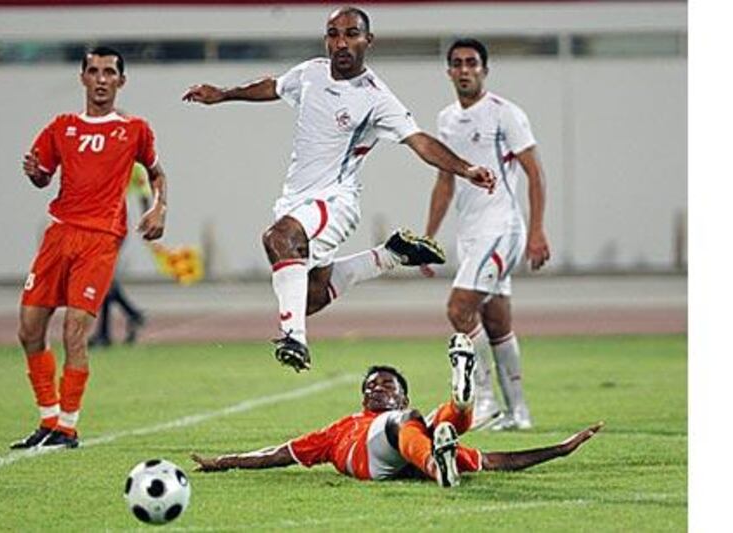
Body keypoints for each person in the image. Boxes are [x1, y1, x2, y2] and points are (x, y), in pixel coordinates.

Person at [183, 6, 496, 372]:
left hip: (336, 200)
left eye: (351, 34)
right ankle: (390, 255)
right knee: (309, 297)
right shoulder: (311, 72)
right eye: (334, 34)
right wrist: (223, 94)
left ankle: (294, 340)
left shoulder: (376, 97)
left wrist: (466, 168)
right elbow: (275, 86)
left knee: (278, 239)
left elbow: (420, 141)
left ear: (368, 40)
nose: (341, 42)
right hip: (296, 199)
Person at [190, 333, 603, 486]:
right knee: (418, 425)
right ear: (362, 399)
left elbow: (495, 460)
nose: (376, 390)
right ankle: (458, 411)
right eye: (370, 387)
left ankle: (460, 406)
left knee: (433, 426)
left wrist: (558, 449)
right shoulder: (340, 428)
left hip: (412, 448)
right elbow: (280, 453)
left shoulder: (414, 425)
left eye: (386, 385)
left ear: (400, 394)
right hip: (381, 450)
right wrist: (224, 461)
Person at [12, 46, 168, 450]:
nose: (101, 79)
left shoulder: (134, 129)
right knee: (28, 330)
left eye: (109, 72)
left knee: (74, 330)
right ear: (82, 77)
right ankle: (48, 420)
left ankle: (67, 427)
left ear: (121, 80)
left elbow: (156, 172)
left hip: (100, 238)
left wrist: (159, 208)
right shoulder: (60, 127)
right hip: (59, 233)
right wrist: (34, 174)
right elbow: (42, 177)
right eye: (94, 71)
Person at [420, 38, 552, 431]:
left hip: (503, 228)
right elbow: (444, 181)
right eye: (457, 63)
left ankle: (485, 401)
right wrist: (428, 240)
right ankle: (519, 413)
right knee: (496, 323)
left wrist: (538, 231)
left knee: (458, 310)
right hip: (471, 234)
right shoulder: (446, 119)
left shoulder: (505, 114)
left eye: (472, 63)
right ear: (449, 72)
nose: (464, 70)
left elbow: (535, 173)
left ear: (484, 69)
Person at [88, 162, 150, 348]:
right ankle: (132, 315)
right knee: (104, 279)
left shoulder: (129, 165)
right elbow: (144, 195)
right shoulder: (128, 163)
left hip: (111, 225)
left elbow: (144, 196)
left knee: (103, 279)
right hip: (102, 224)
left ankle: (106, 332)